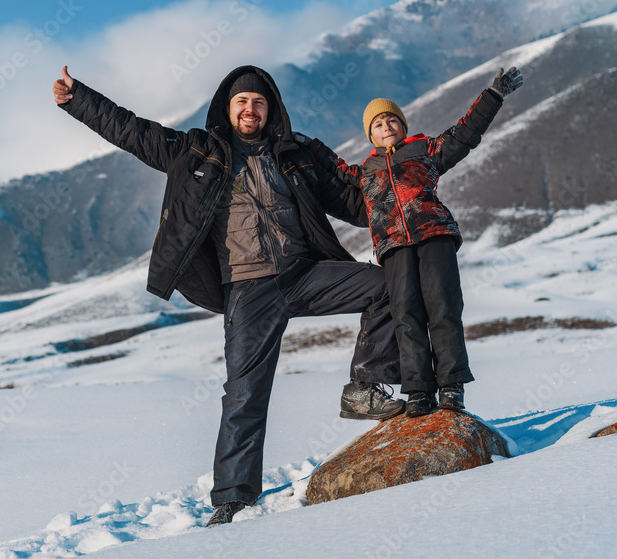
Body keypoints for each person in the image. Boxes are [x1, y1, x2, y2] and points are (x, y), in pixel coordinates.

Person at [52, 64, 403, 526]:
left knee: (384, 285)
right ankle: (233, 499)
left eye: (259, 102)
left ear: (270, 108)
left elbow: (357, 205)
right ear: (228, 107)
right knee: (244, 393)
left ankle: (364, 387)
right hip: (248, 287)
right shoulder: (197, 151)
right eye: (242, 102)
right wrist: (78, 99)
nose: (250, 109)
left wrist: (399, 170)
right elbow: (133, 131)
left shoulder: (294, 154)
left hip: (304, 272)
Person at [306, 67, 524, 417]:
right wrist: (300, 141)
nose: (386, 127)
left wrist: (493, 95)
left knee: (443, 308)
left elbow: (465, 132)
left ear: (402, 126)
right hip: (393, 247)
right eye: (378, 124)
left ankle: (452, 387)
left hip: (434, 235)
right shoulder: (364, 173)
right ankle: (419, 390)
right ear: (370, 135)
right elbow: (329, 165)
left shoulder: (425, 151)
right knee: (406, 315)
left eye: (392, 120)